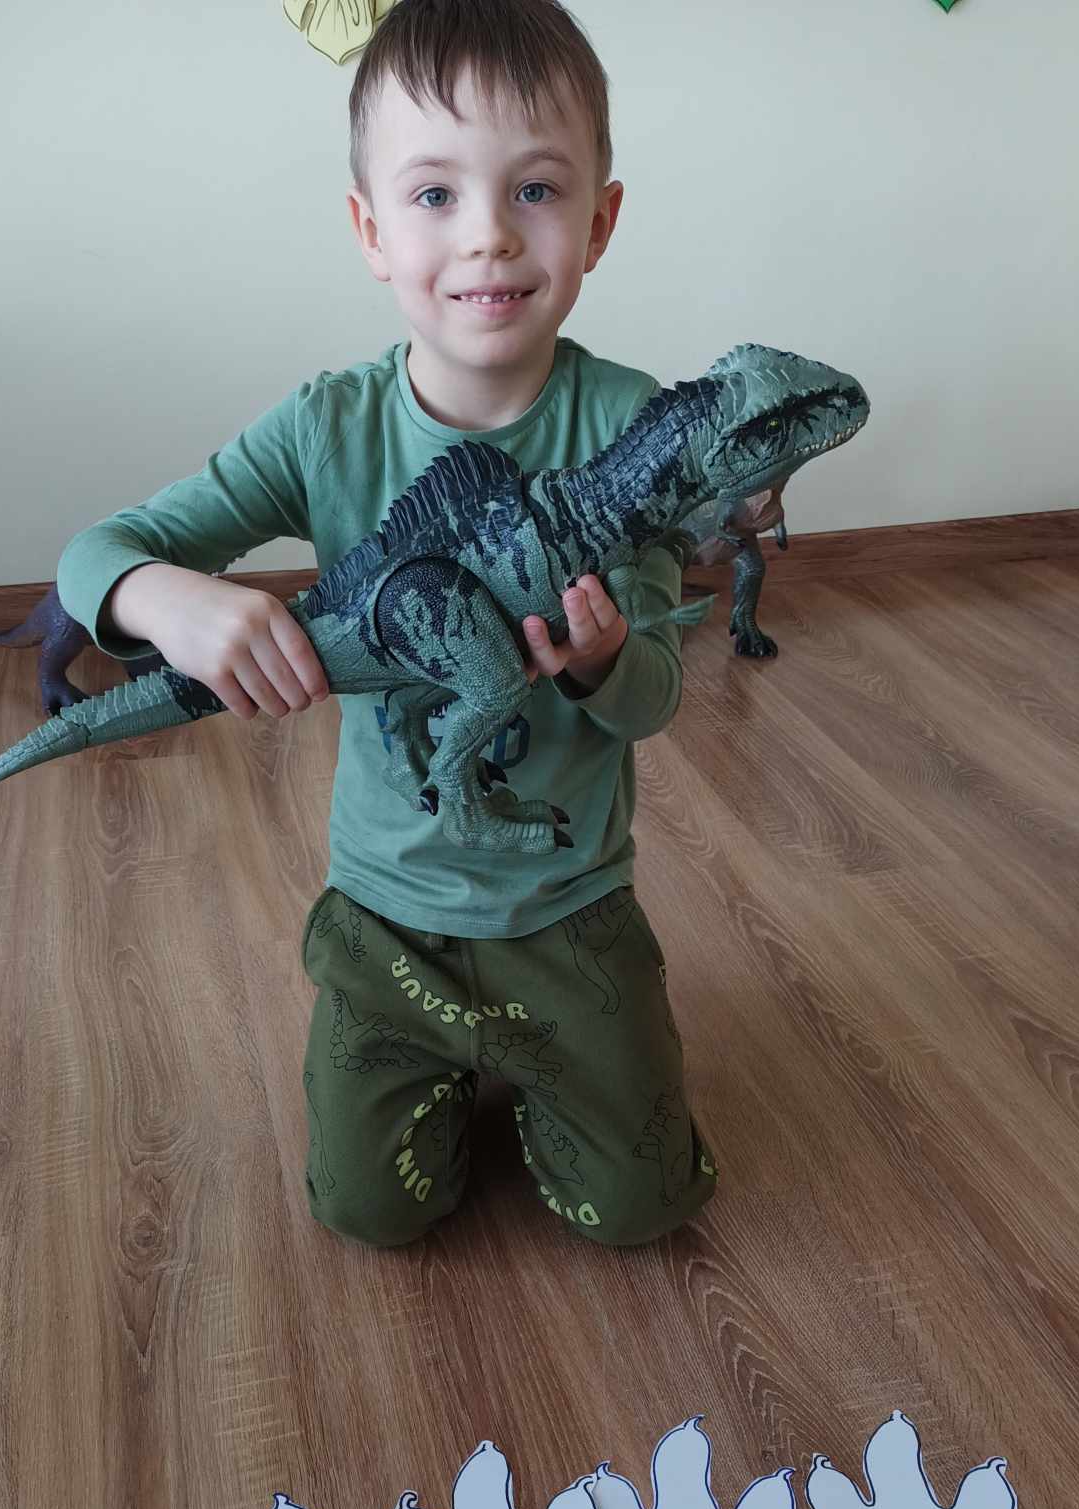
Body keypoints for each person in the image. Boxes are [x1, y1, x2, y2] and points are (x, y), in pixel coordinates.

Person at [56, 0, 718, 1249]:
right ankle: (444, 1056)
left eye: (536, 189)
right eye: (434, 194)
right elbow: (96, 553)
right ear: (370, 228)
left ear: (600, 221)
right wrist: (170, 599)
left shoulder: (636, 424)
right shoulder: (327, 427)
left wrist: (605, 660)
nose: (488, 235)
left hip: (569, 901)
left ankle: (550, 1075)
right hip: (387, 910)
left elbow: (655, 699)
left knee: (639, 1207)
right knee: (368, 1210)